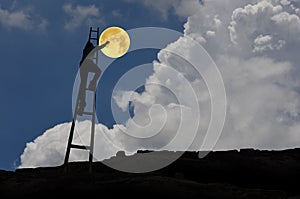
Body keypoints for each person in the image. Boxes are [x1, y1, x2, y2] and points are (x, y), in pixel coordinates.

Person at [78, 40, 109, 115]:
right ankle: (92, 83)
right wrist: (105, 44)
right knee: (98, 71)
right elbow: (98, 48)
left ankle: (82, 105)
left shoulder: (86, 50)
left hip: (83, 65)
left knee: (83, 85)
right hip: (87, 63)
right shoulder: (90, 49)